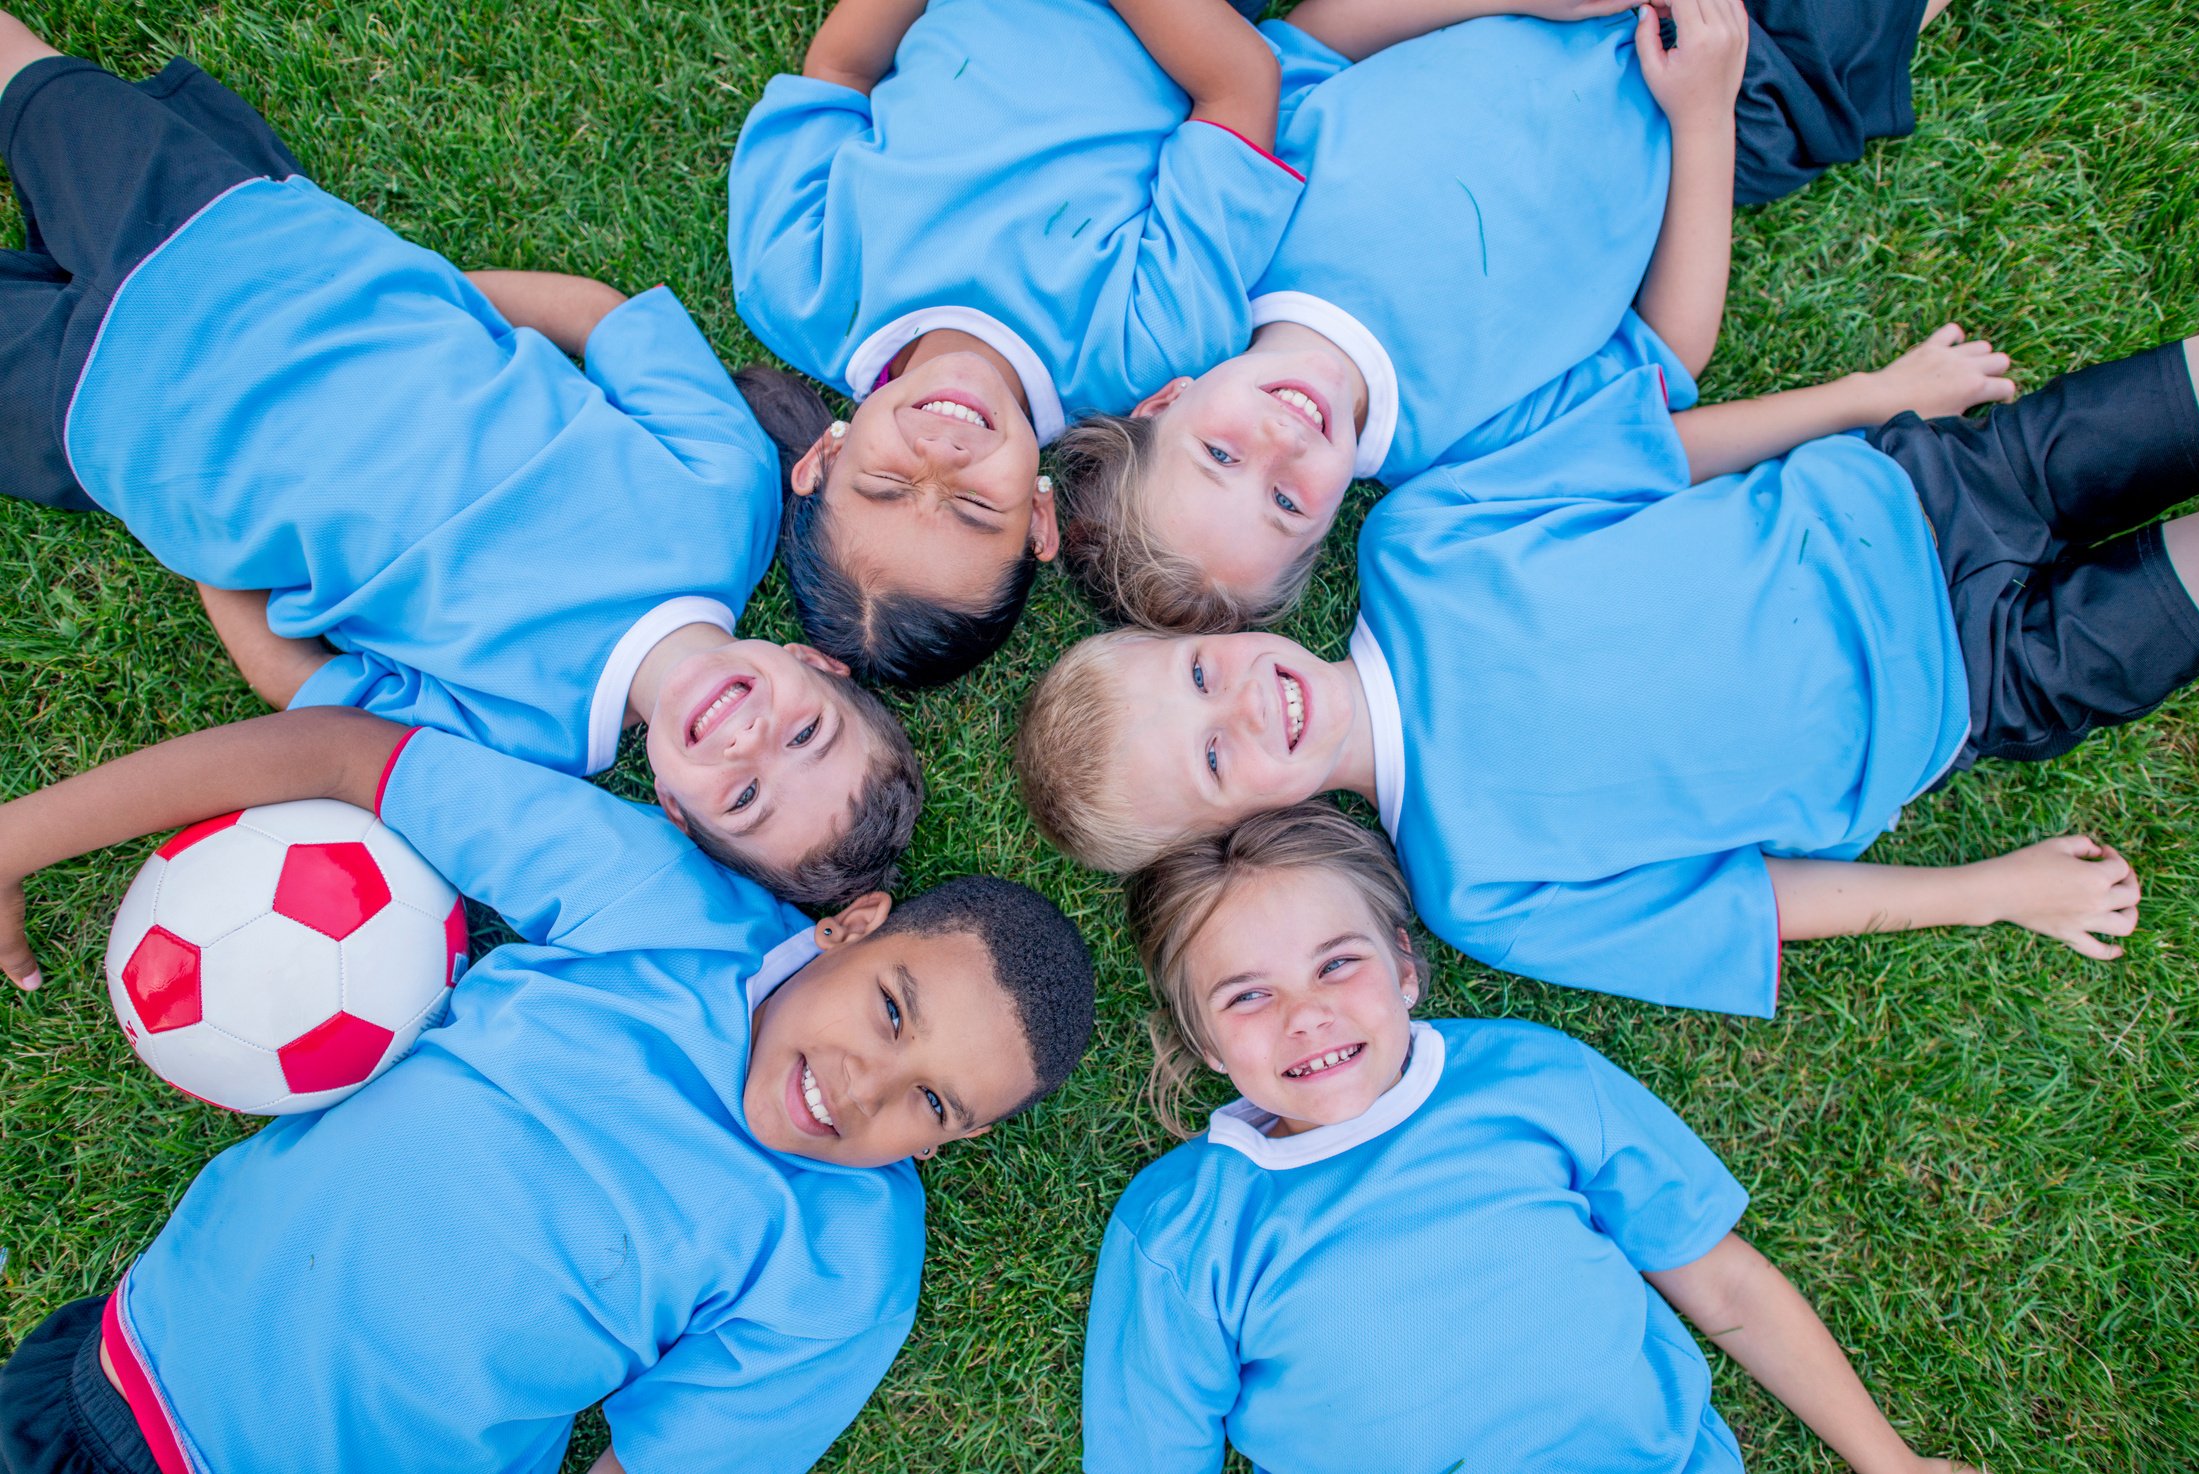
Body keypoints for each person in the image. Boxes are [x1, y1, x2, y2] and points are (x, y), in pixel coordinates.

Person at [0, 708, 1096, 1473]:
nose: (864, 1087)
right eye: (891, 1010)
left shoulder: (848, 1262)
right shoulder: (658, 904)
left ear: (954, 1140)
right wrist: (16, 841)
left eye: (934, 1104)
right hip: (119, 1384)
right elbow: (345, 758)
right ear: (849, 925)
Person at [1015, 319, 2199, 1014]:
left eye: (1197, 677)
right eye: (1214, 757)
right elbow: (1750, 902)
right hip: (1976, 693)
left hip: (1920, 487)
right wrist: (1995, 889)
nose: (1243, 703)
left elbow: (1657, 456)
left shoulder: (1415, 543)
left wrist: (1876, 396)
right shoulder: (1474, 890)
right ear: (1238, 833)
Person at [0, 14, 918, 909]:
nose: (752, 742)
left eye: (745, 799)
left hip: (119, 426)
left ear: (676, 812)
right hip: (254, 256)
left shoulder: (520, 742)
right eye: (806, 734)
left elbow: (300, 682)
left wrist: (201, 532)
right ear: (817, 662)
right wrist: (413, 292)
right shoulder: (734, 498)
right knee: (33, 85)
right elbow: (606, 320)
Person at [1083, 804, 1979, 1474]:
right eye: (1247, 995)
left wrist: (1889, 1461)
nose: (1308, 1016)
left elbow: (1720, 1278)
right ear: (1203, 1041)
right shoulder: (1180, 1229)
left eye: (1337, 963)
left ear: (1403, 967)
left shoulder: (1530, 1078)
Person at [1056, 0, 1954, 633]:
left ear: (1166, 399)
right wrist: (1704, 112)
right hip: (1731, 100)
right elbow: (1668, 350)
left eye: (1221, 456)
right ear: (1327, 530)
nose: (1280, 449)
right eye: (1287, 503)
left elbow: (1315, 44)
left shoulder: (1234, 247)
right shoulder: (1455, 450)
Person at [727, 0, 1310, 683]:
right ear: (1039, 518)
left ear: (823, 458)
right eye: (974, 506)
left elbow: (839, 69)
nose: (941, 458)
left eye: (887, 484)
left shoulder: (792, 285)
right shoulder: (1146, 349)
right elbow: (1239, 87)